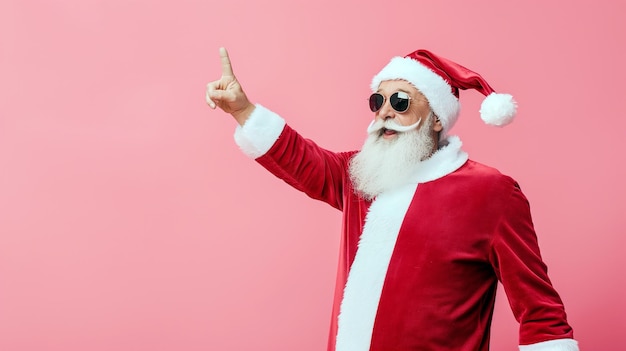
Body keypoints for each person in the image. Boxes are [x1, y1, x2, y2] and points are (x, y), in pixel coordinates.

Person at [206, 47, 579, 351]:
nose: (384, 111)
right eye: (377, 100)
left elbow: (540, 310)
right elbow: (301, 158)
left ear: (436, 119)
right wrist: (243, 111)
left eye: (400, 102)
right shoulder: (362, 177)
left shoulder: (490, 192)